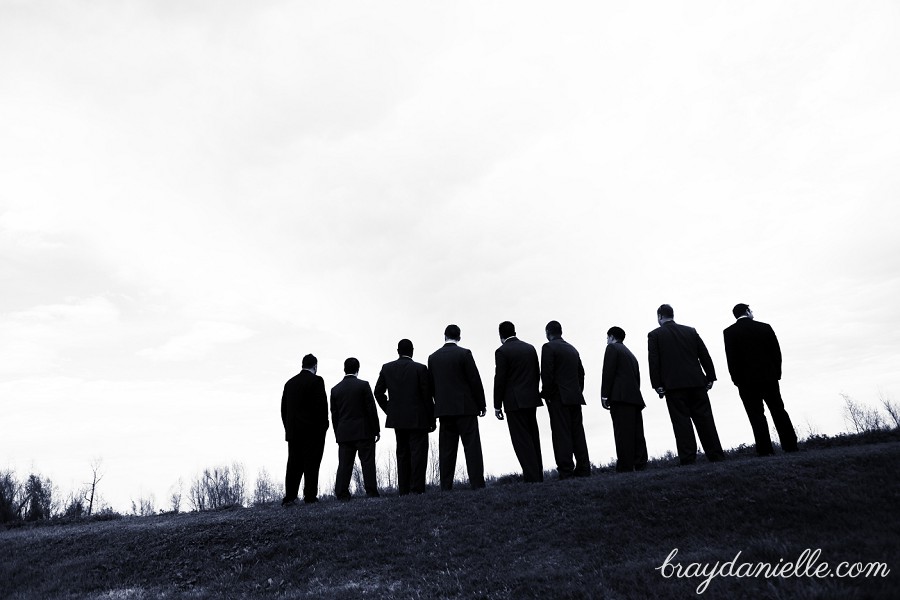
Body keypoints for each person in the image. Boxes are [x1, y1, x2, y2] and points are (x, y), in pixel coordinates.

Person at [648, 304, 726, 465]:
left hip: (673, 385)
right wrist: (710, 376)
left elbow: (654, 362)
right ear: (672, 315)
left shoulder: (655, 335)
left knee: (681, 422)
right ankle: (716, 455)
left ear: (660, 316)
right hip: (697, 382)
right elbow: (704, 354)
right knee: (705, 419)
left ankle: (688, 458)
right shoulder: (690, 331)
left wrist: (657, 384)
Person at [723, 303, 799, 455]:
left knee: (756, 415)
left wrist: (736, 380)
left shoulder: (729, 332)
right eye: (751, 310)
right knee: (778, 410)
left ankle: (765, 450)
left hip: (746, 381)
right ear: (747, 311)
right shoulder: (765, 327)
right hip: (769, 377)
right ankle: (790, 445)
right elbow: (776, 353)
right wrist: (777, 373)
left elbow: (731, 359)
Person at [427, 324, 487, 490]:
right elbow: (474, 380)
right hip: (466, 408)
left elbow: (431, 386)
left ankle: (446, 486)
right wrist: (481, 404)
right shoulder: (464, 354)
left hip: (444, 410)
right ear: (459, 337)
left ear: (444, 336)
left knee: (446, 451)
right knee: (472, 447)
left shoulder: (433, 358)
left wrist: (437, 404)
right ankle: (477, 483)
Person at [374, 339, 436, 495]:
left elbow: (378, 392)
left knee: (402, 454)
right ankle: (417, 489)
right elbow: (427, 396)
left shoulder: (387, 368)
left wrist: (390, 409)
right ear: (412, 351)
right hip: (418, 419)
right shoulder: (420, 369)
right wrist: (432, 418)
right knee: (418, 454)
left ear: (397, 351)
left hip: (398, 419)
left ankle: (404, 490)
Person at [493, 321, 544, 483]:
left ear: (501, 335)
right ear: (515, 331)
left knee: (521, 440)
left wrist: (497, 404)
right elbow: (537, 373)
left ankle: (531, 476)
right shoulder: (530, 348)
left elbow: (500, 379)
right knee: (533, 437)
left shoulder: (501, 351)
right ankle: (538, 474)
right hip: (531, 398)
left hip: (514, 402)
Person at [540, 320, 591, 479]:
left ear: (548, 332)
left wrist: (546, 394)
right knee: (578, 433)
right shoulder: (572, 349)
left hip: (558, 397)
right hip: (575, 397)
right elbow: (581, 373)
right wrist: (577, 390)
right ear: (560, 332)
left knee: (561, 434)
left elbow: (547, 374)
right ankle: (583, 468)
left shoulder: (548, 347)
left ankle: (566, 470)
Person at [280, 353, 329, 506]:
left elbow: (284, 409)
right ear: (315, 366)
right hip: (313, 432)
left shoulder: (289, 383)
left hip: (294, 432)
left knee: (293, 464)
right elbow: (321, 407)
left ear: (302, 365)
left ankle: (290, 497)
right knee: (312, 464)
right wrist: (324, 427)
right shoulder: (317, 381)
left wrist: (288, 427)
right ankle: (310, 496)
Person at [330, 357, 381, 500]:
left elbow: (335, 415)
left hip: (344, 433)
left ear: (344, 369)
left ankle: (341, 492)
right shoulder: (363, 385)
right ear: (358, 369)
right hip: (364, 432)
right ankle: (371, 491)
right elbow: (371, 409)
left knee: (344, 465)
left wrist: (338, 433)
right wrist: (376, 430)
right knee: (368, 463)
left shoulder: (335, 390)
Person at [600, 327, 648, 472]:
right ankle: (640, 463)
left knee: (622, 433)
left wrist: (604, 395)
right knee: (637, 433)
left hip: (619, 397)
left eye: (607, 337)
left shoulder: (612, 349)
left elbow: (608, 372)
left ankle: (625, 466)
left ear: (612, 337)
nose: (607, 340)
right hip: (634, 397)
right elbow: (637, 377)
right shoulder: (630, 354)